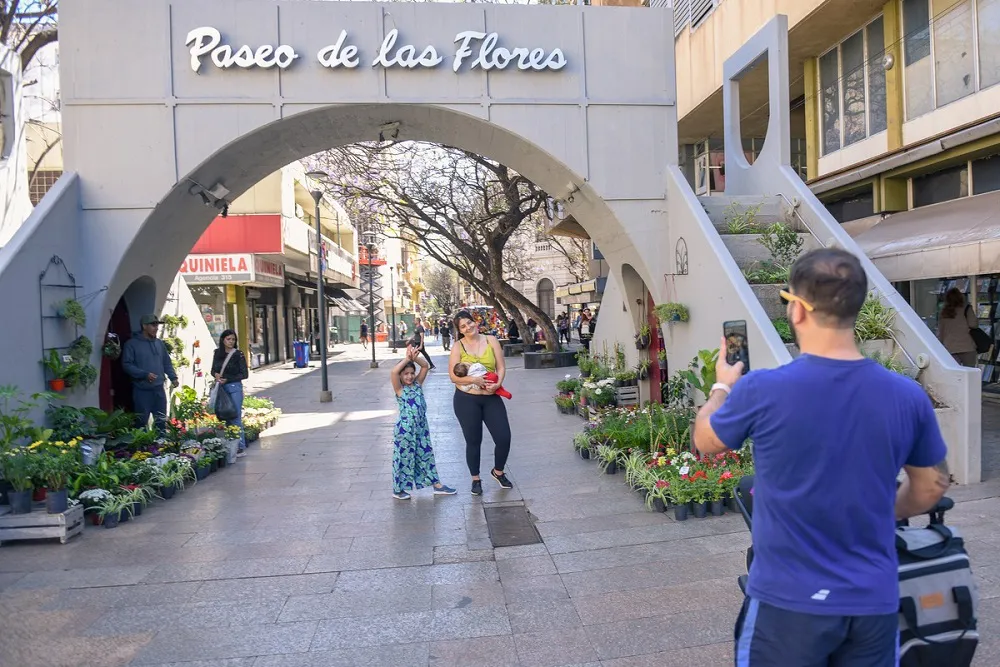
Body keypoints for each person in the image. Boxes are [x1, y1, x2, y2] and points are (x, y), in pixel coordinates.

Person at [692, 248, 949, 666]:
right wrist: (884, 507)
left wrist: (722, 386)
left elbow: (705, 440)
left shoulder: (762, 389)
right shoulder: (907, 397)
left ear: (797, 310)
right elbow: (932, 485)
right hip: (872, 602)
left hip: (785, 604)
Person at [448, 309, 513, 495]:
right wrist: (473, 380)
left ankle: (498, 471)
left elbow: (500, 366)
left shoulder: (491, 340)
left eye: (469, 322)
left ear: (474, 322)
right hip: (466, 400)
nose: (468, 327)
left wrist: (498, 383)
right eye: (463, 326)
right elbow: (453, 376)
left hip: (491, 398)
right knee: (473, 440)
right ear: (460, 330)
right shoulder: (458, 346)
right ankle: (475, 479)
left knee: (503, 437)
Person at [389, 344, 456, 499]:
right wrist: (406, 358)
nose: (410, 376)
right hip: (405, 431)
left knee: (426, 455)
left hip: (421, 429)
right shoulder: (400, 389)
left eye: (412, 373)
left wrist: (414, 358)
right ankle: (398, 489)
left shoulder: (417, 384)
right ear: (400, 376)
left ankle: (437, 485)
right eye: (405, 374)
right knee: (404, 458)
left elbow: (425, 366)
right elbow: (393, 372)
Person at [121, 314, 178, 434]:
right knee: (141, 422)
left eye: (157, 324)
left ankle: (162, 447)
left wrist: (173, 377)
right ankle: (143, 449)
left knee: (161, 421)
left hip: (159, 389)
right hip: (142, 390)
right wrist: (144, 374)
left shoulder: (159, 343)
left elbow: (166, 362)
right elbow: (127, 364)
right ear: (144, 326)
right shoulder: (132, 344)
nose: (156, 327)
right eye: (153, 325)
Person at [211, 329, 250, 457]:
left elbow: (244, 374)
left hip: (234, 387)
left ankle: (240, 446)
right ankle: (231, 444)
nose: (231, 342)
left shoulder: (238, 354)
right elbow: (213, 369)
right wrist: (216, 375)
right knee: (226, 416)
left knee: (235, 416)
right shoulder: (217, 353)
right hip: (222, 388)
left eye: (233, 339)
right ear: (223, 340)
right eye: (229, 339)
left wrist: (229, 379)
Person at [937, 287, 979, 368]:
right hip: (967, 346)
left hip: (950, 347)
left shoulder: (944, 312)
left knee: (954, 373)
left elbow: (940, 331)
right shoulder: (966, 308)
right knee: (970, 372)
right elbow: (973, 324)